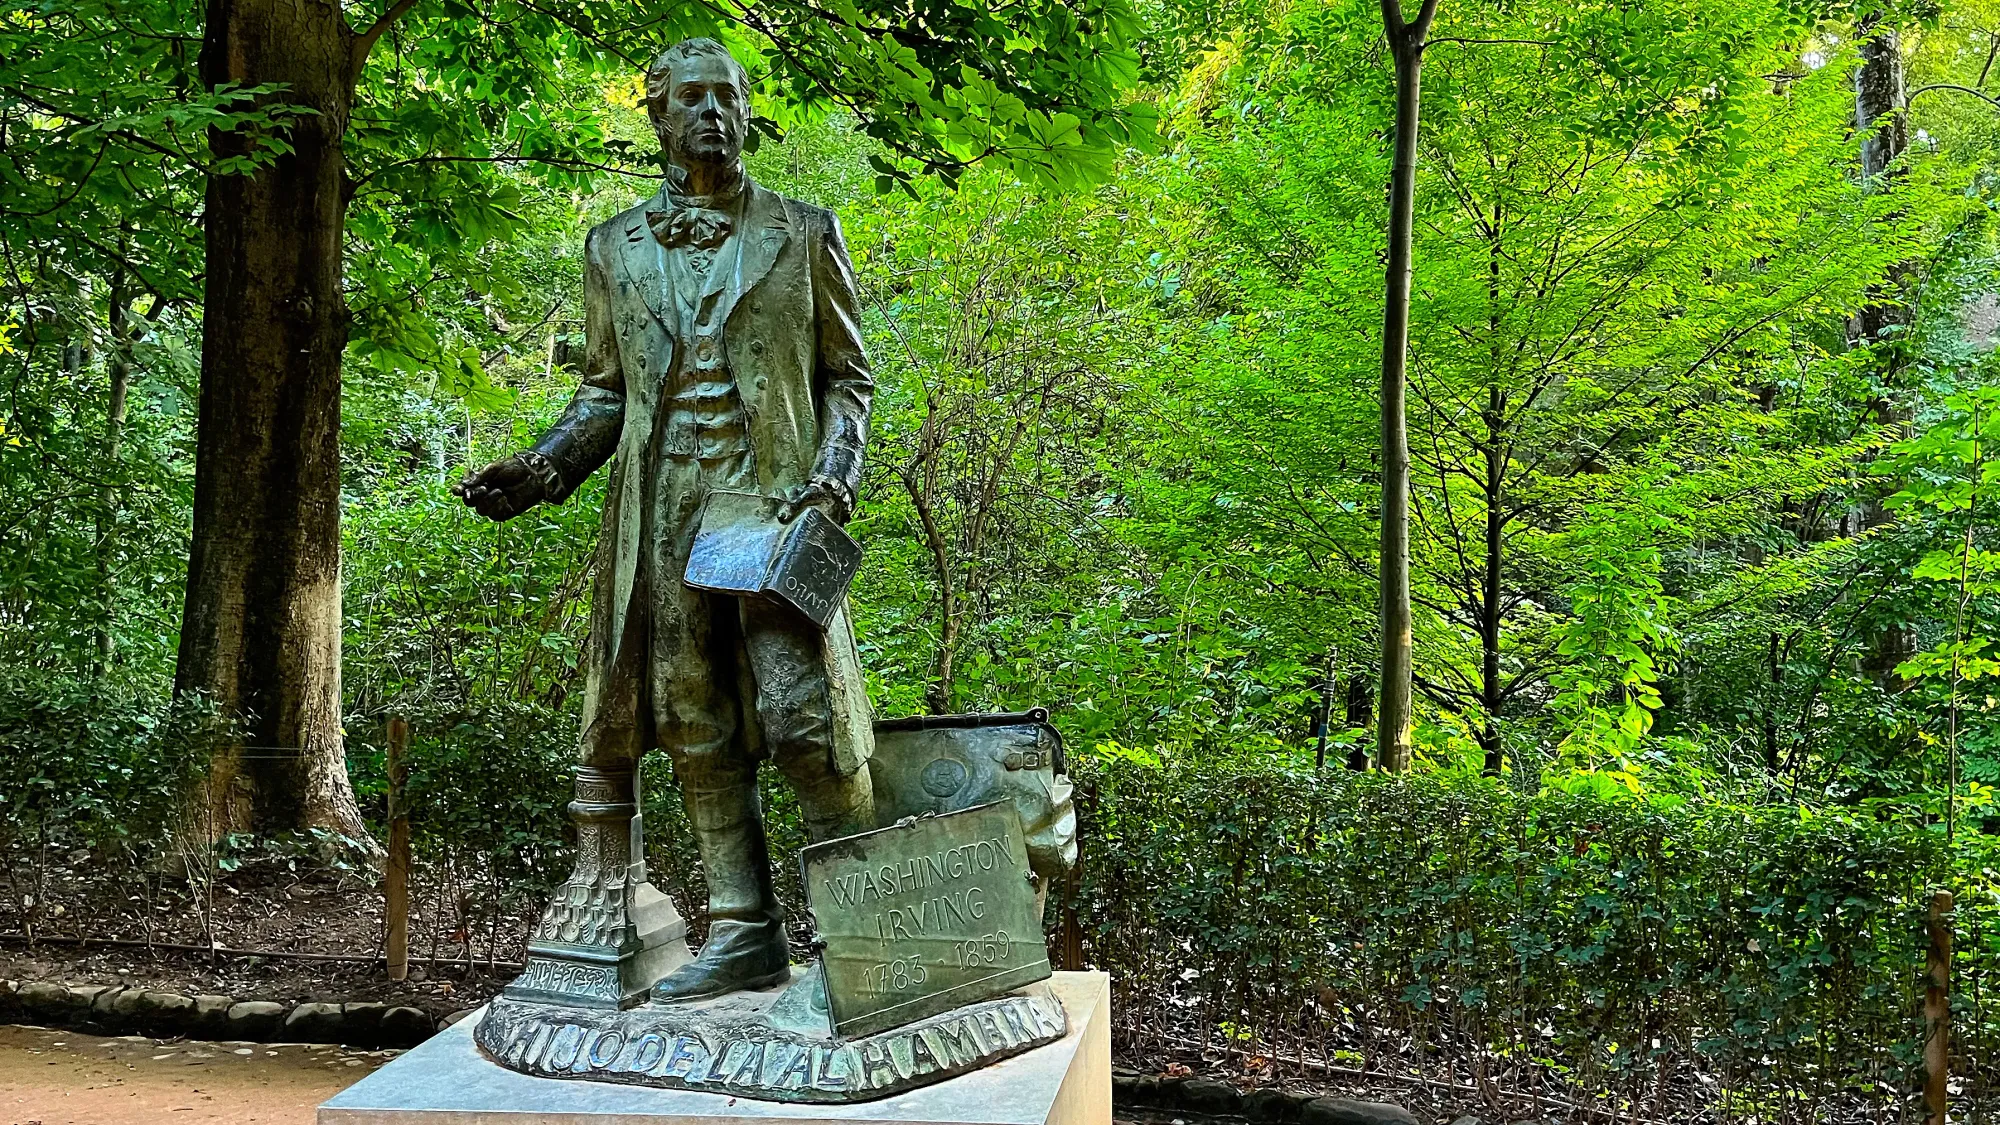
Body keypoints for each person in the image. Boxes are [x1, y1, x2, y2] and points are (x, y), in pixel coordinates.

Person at [454, 37, 876, 1002]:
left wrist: (832, 482)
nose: (712, 112)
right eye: (691, 97)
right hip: (666, 510)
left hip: (770, 504)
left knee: (801, 716)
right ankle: (745, 929)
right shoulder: (613, 247)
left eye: (727, 95)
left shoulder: (804, 230)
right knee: (692, 716)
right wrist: (543, 466)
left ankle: (860, 939)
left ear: (747, 112)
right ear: (656, 115)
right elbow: (606, 394)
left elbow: (849, 380)